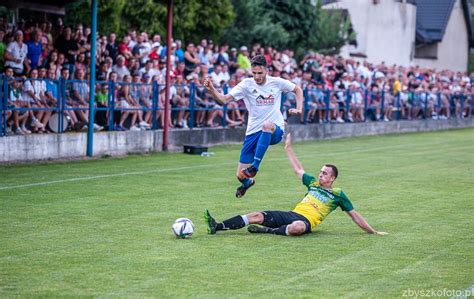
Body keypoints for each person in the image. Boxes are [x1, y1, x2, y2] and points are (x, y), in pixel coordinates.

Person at [204, 133, 388, 237]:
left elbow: (354, 216)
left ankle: (268, 231)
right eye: (321, 171)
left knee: (298, 228)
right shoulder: (313, 184)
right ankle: (217, 226)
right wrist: (288, 148)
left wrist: (373, 231)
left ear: (332, 179)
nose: (320, 174)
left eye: (324, 173)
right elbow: (298, 170)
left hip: (305, 221)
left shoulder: (338, 194)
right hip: (292, 214)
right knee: (256, 215)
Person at [203, 54, 303, 198]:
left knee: (267, 125)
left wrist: (298, 108)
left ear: (267, 70)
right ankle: (247, 183)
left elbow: (297, 90)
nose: (256, 76)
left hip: (274, 129)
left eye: (260, 73)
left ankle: (255, 167)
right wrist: (212, 90)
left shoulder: (277, 82)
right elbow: (224, 100)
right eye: (254, 73)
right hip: (253, 132)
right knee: (240, 175)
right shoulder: (246, 85)